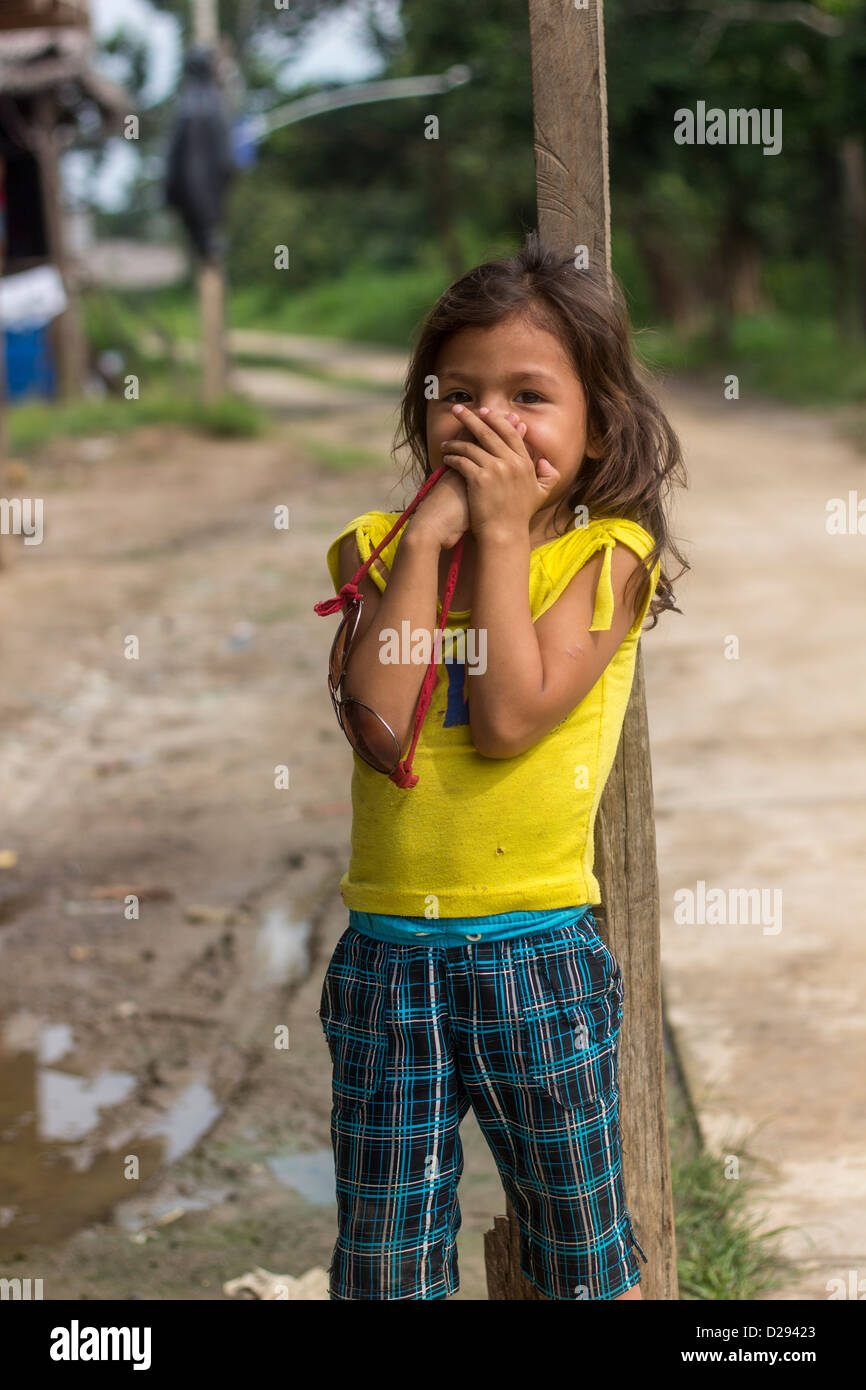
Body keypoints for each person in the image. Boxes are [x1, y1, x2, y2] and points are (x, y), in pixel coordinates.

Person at [315, 232, 689, 1301]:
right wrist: (429, 544)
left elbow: (510, 718)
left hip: (538, 959)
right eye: (457, 393)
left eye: (528, 395)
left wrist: (499, 532)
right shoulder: (373, 551)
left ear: (595, 424)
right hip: (387, 964)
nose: (486, 420)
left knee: (579, 1251)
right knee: (386, 1266)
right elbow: (380, 729)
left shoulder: (606, 560)